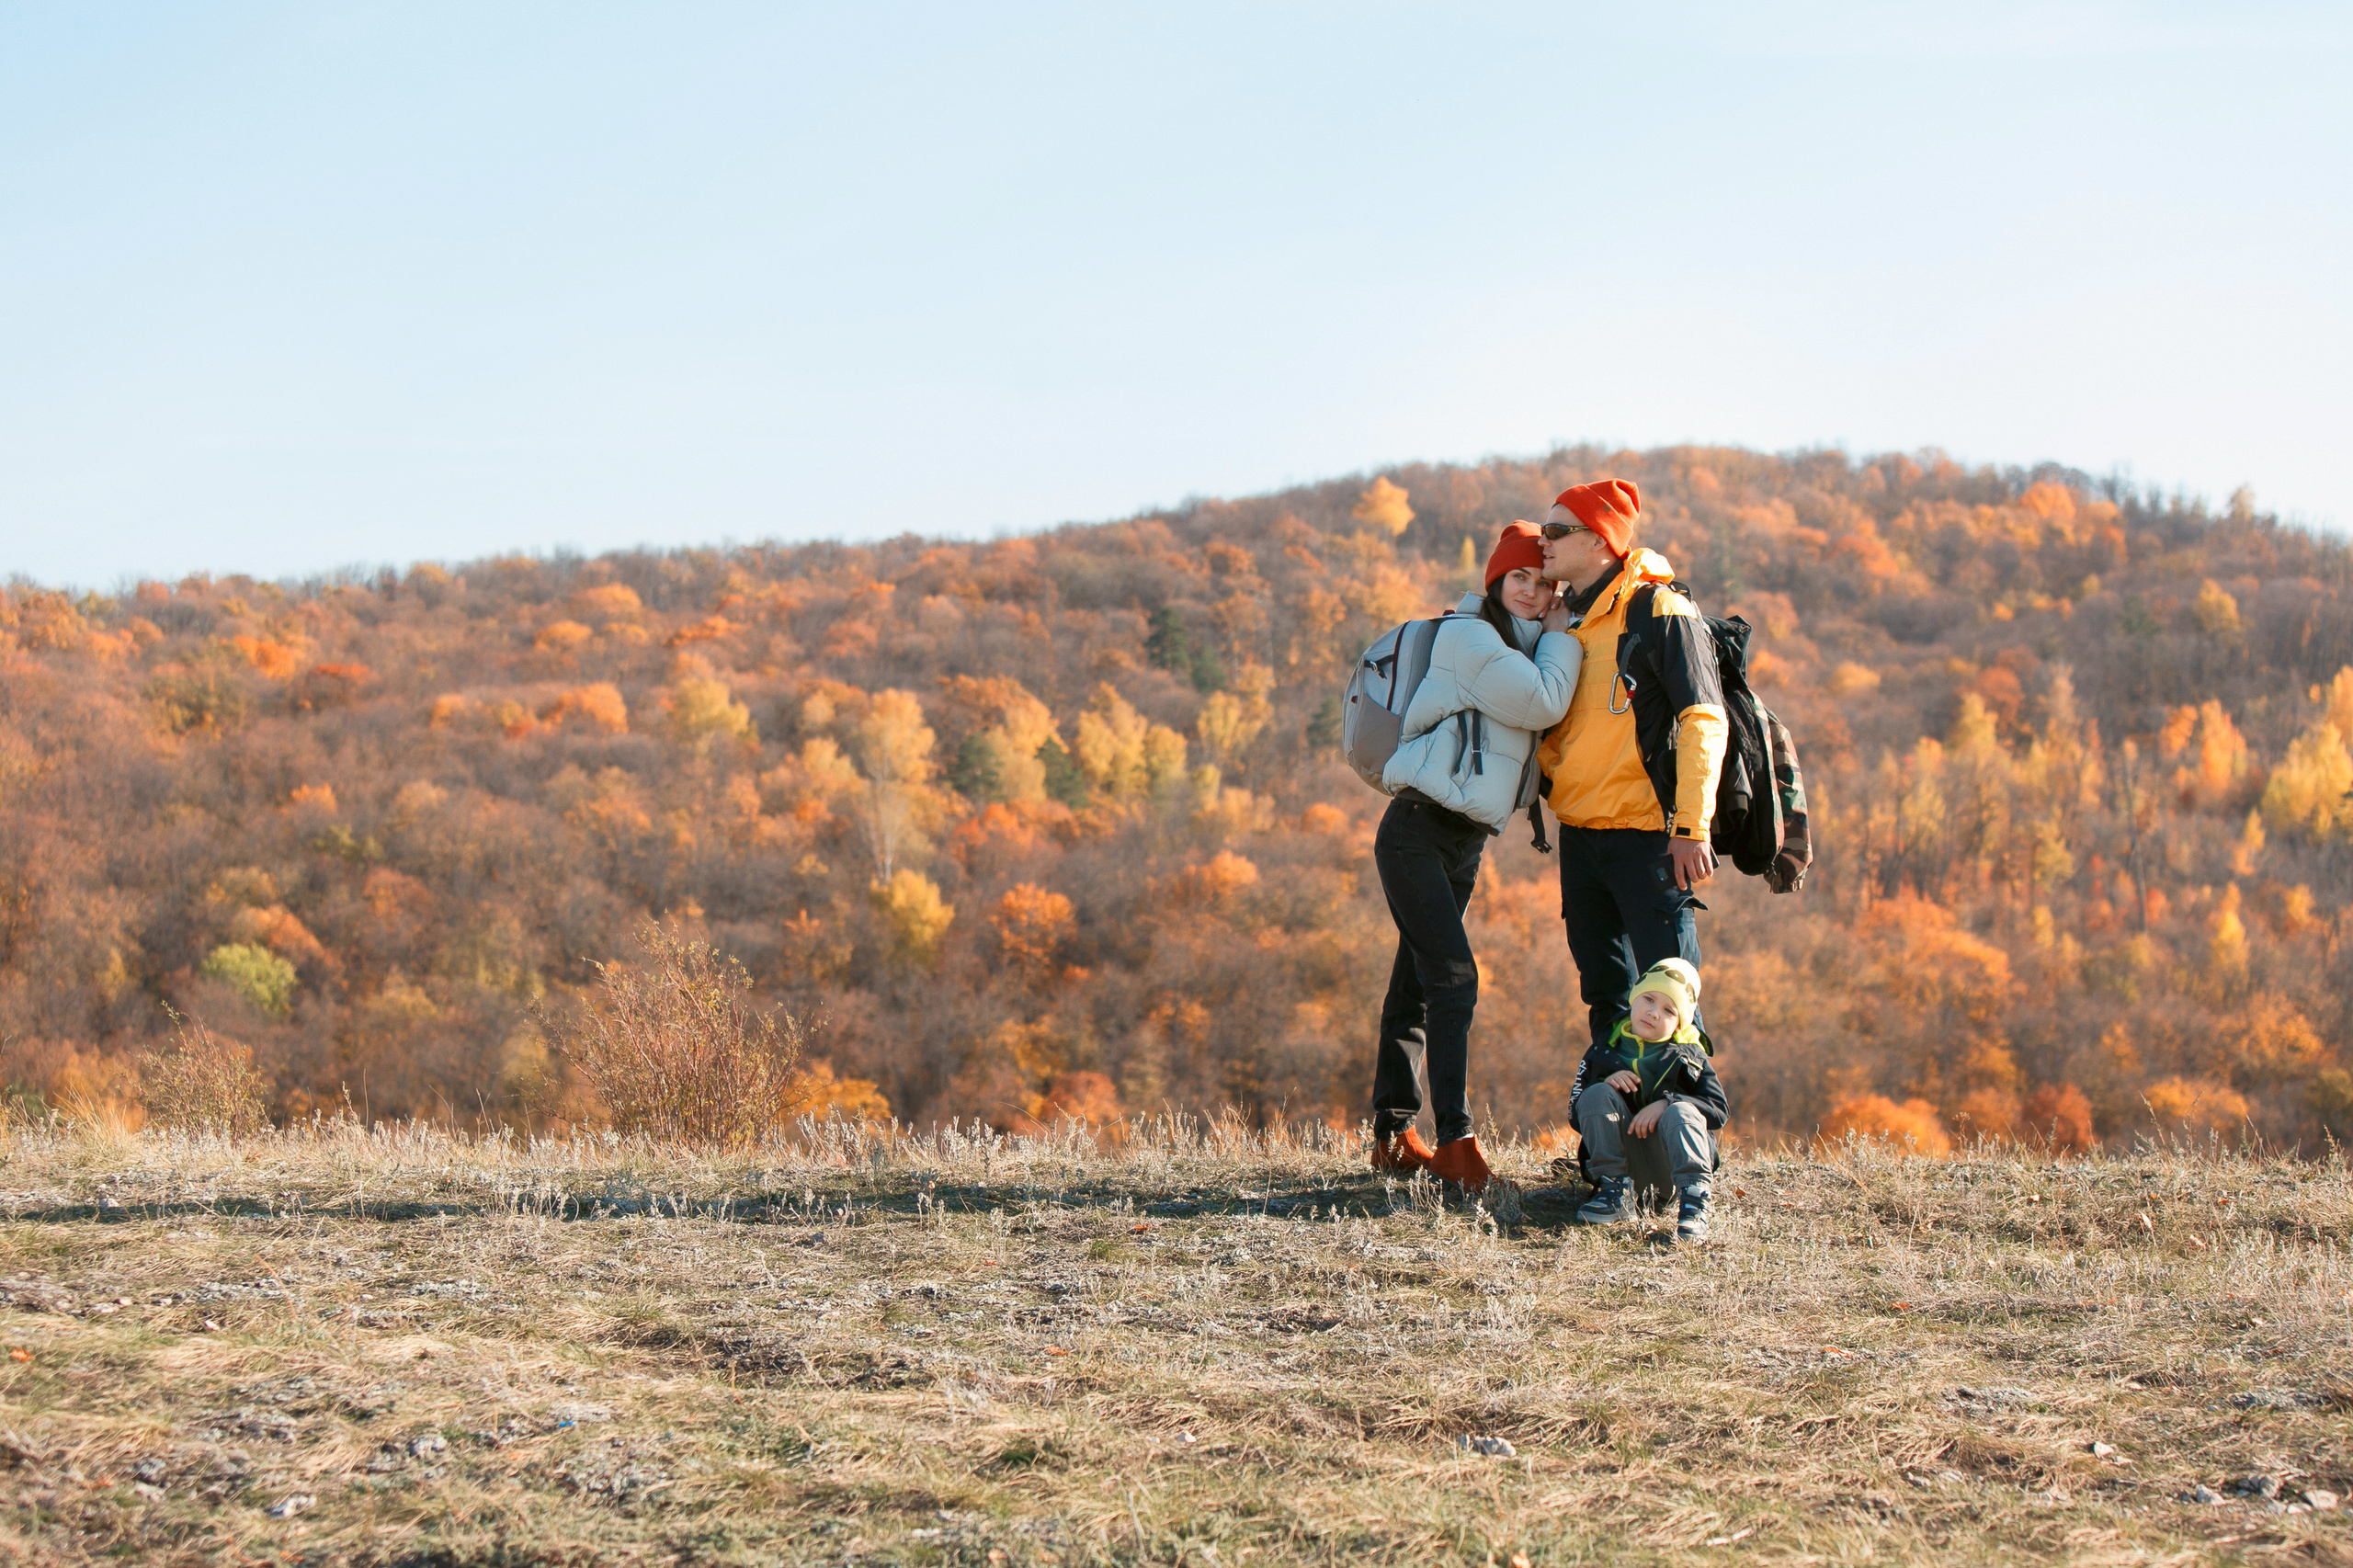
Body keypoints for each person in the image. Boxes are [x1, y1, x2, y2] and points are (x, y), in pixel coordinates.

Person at [1369, 521, 1581, 1193]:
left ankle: (1392, 1136)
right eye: (1518, 576)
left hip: (1463, 841)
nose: (1531, 589)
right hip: (1416, 831)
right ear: (1495, 580)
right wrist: (1563, 632)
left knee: (1415, 983)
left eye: (1543, 581)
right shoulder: (1470, 639)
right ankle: (1457, 1147)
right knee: (1454, 980)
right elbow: (1545, 701)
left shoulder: (1518, 648)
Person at [1533, 479, 1726, 1054]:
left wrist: (1690, 827)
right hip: (1582, 838)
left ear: (1598, 541)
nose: (1543, 541)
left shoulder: (1660, 609)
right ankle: (1610, 1137)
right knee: (1607, 999)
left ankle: (1687, 1136)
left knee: (1670, 999)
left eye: (1555, 531)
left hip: (1649, 840)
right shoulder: (1565, 619)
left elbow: (1703, 718)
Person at [1564, 959, 1724, 1241]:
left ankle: (1693, 1204)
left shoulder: (1690, 1056)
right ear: (1634, 997)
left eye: (1668, 1010)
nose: (1653, 1013)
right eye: (1648, 999)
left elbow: (1718, 1109)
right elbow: (1577, 1112)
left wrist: (1668, 1102)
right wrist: (1605, 1083)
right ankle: (1614, 1194)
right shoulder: (1605, 1047)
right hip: (1623, 1162)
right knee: (1596, 1094)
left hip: (1669, 1168)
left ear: (1679, 1022)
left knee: (1682, 1112)